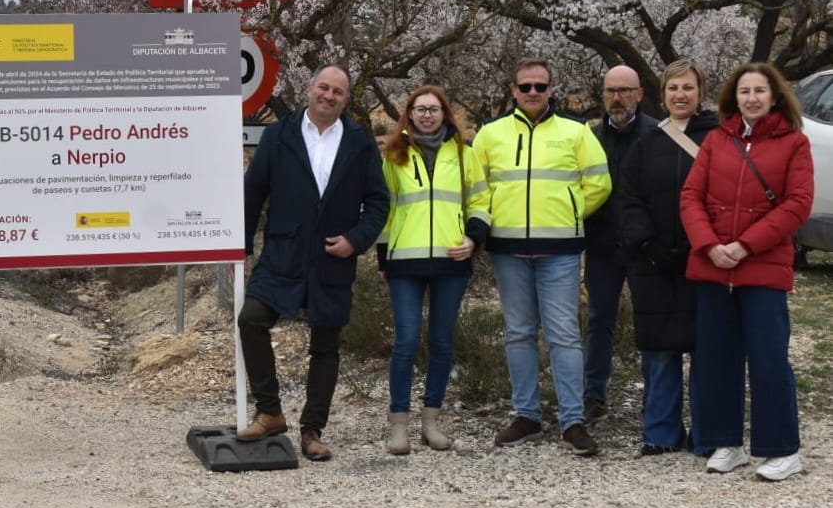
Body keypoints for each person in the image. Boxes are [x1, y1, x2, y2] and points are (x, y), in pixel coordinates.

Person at [236, 65, 390, 462]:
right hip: (282, 254)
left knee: (326, 345)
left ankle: (312, 431)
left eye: (338, 91)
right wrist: (242, 247)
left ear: (346, 99)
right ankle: (270, 412)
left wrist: (355, 240)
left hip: (331, 258)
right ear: (309, 89)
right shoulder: (279, 134)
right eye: (324, 87)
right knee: (251, 320)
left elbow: (378, 202)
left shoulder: (359, 141)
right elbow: (253, 193)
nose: (329, 96)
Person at [680, 62, 812, 481]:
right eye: (744, 92)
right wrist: (709, 245)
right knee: (717, 359)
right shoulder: (717, 140)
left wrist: (745, 245)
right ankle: (727, 443)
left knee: (769, 359)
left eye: (759, 91)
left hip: (763, 268)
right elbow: (691, 196)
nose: (751, 98)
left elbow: (797, 204)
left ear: (774, 96)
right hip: (714, 267)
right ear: (733, 98)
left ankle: (783, 449)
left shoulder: (795, 143)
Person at [473, 59, 611, 456]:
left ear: (551, 89)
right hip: (508, 249)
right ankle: (527, 415)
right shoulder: (490, 133)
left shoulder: (576, 131)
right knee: (518, 332)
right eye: (525, 86)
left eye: (540, 86)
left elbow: (599, 182)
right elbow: (477, 187)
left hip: (560, 251)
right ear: (513, 90)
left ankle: (572, 421)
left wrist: (568, 214)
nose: (532, 92)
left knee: (563, 334)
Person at [378, 84, 490, 454]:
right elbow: (384, 208)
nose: (427, 115)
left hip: (451, 259)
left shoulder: (463, 154)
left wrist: (473, 239)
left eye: (434, 109)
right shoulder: (393, 155)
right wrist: (384, 258)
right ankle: (399, 426)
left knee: (441, 342)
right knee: (406, 342)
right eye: (420, 109)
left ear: (445, 114)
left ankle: (431, 422)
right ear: (409, 115)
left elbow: (480, 199)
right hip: (405, 261)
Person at [619, 60, 719, 455]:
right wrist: (649, 245)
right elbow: (630, 199)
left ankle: (708, 433)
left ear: (700, 92)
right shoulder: (647, 143)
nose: (680, 95)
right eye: (673, 88)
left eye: (687, 87)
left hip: (706, 259)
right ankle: (661, 433)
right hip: (655, 262)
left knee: (706, 348)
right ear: (663, 94)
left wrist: (704, 244)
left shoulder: (718, 139)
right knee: (660, 348)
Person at [582, 64, 659, 422]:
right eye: (611, 91)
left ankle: (654, 399)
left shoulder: (657, 135)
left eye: (624, 91)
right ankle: (593, 395)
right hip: (602, 245)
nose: (617, 98)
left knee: (650, 320)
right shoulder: (590, 138)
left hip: (644, 247)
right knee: (599, 320)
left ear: (639, 95)